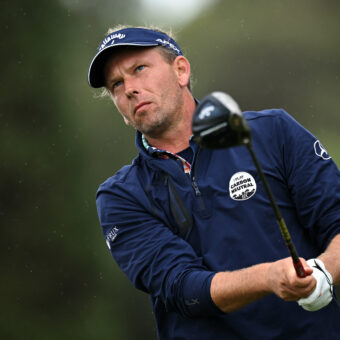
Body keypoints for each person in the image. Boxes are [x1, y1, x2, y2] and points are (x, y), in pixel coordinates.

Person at [88, 25, 340, 339]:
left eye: (139, 69)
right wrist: (271, 276)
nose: (129, 88)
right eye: (116, 84)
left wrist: (324, 271)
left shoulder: (274, 132)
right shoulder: (121, 196)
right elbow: (183, 289)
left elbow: (336, 221)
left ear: (180, 70)